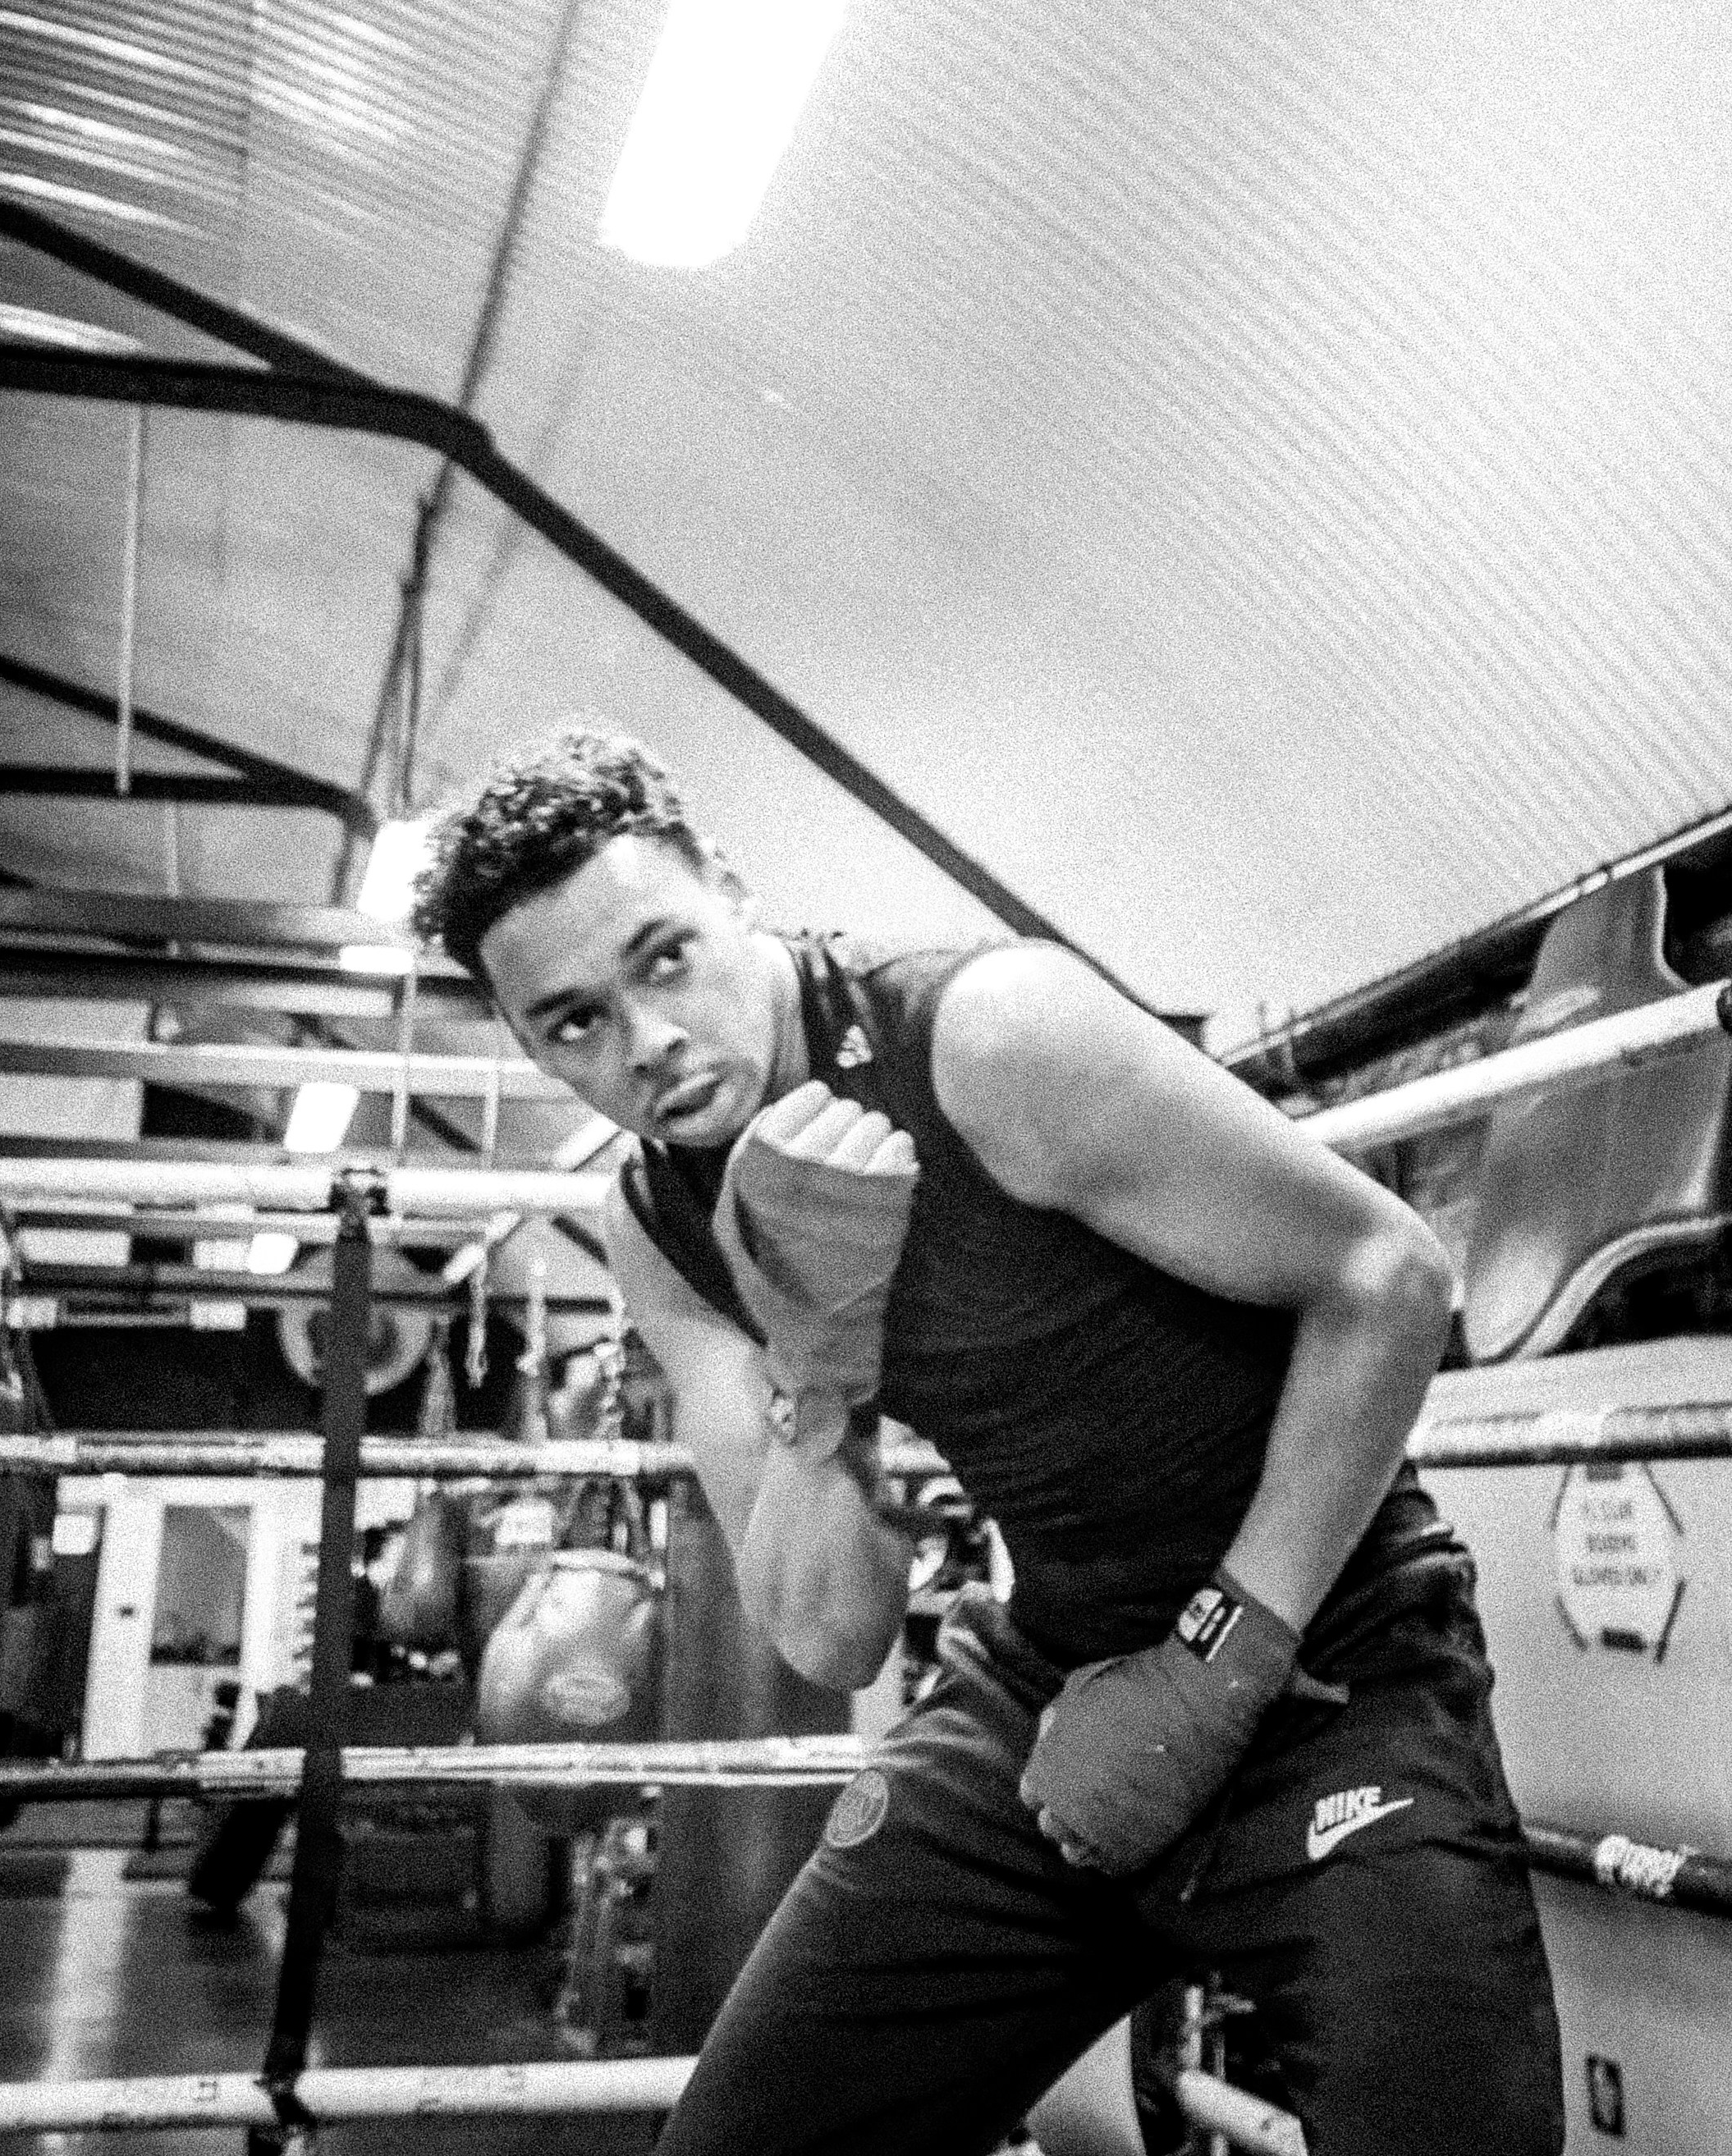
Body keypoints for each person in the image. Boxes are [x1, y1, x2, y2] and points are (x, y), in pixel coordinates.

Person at [414, 729, 1564, 2156]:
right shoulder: (658, 1228)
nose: (647, 1043)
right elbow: (829, 1636)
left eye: (665, 958)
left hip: (1335, 1652)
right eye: (571, 1022)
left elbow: (1388, 1275)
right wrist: (821, 1376)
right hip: (1046, 1686)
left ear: (734, 894)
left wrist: (1220, 1665)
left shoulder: (986, 1037)